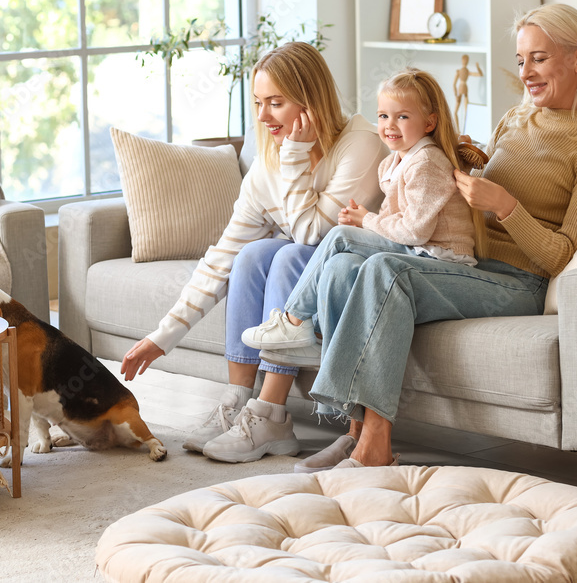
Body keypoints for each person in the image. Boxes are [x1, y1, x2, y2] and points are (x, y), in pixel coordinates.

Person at [241, 3, 577, 471]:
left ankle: (377, 444)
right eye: (522, 59)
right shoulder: (515, 121)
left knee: (387, 268)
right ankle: (354, 431)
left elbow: (562, 255)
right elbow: (464, 191)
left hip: (518, 281)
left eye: (539, 58)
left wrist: (505, 206)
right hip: (463, 263)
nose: (526, 71)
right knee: (343, 263)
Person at [119, 41, 389, 464]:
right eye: (259, 103)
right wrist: (162, 337)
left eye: (275, 103)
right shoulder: (268, 162)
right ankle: (239, 402)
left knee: (286, 255)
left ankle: (271, 412)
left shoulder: (362, 145)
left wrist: (296, 156)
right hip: (310, 277)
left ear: (311, 101)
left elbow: (313, 237)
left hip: (355, 275)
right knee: (252, 254)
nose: (262, 116)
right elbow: (223, 256)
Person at [242, 68, 483, 370]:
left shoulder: (427, 162)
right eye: (383, 116)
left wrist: (366, 221)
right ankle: (317, 341)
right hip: (417, 253)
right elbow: (392, 222)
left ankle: (293, 320)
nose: (389, 125)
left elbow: (415, 231)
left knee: (340, 237)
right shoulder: (392, 163)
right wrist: (362, 224)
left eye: (402, 117)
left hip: (442, 259)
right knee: (342, 257)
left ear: (430, 122)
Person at [452, 54, 484, 133]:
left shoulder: (467, 72)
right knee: (455, 111)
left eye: (466, 61)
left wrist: (477, 67)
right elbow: (454, 84)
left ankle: (465, 130)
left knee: (467, 111)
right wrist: (456, 95)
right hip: (460, 90)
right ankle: (458, 130)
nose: (465, 62)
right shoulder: (459, 71)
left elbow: (480, 74)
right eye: (464, 60)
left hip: (465, 90)